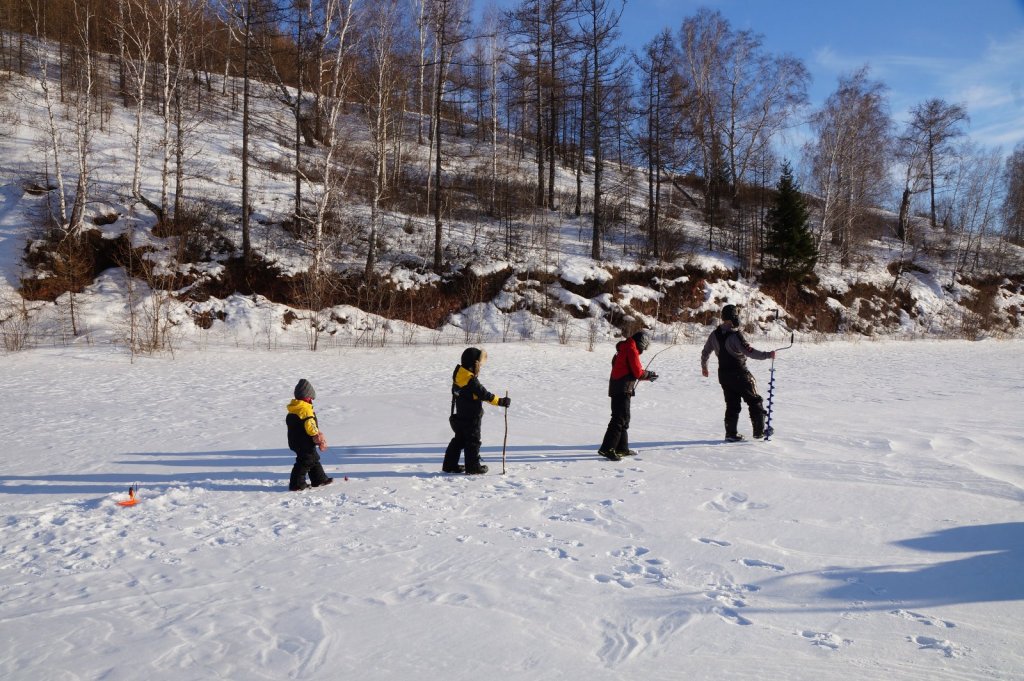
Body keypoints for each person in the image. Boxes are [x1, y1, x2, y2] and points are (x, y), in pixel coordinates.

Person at [700, 305, 775, 442]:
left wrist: (704, 367)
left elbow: (705, 352)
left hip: (723, 375)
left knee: (732, 404)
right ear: (734, 317)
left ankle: (731, 434)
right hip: (740, 373)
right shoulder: (736, 335)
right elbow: (750, 352)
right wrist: (767, 355)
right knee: (755, 400)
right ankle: (759, 432)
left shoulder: (714, 334)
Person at [443, 347, 511, 475]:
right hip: (472, 418)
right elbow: (485, 395)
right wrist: (501, 401)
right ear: (473, 365)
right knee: (473, 441)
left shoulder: (459, 375)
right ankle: (473, 467)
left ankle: (449, 465)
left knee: (459, 440)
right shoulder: (471, 380)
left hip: (460, 416)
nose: (480, 367)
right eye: (479, 364)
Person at [598, 330, 658, 461]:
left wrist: (645, 376)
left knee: (624, 418)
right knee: (619, 419)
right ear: (642, 343)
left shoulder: (624, 347)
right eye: (645, 346)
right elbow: (637, 372)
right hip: (622, 388)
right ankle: (607, 448)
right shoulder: (631, 349)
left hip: (618, 386)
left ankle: (621, 448)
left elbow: (620, 366)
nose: (644, 349)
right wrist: (649, 374)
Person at [286, 379, 333, 491]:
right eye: (311, 398)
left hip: (296, 441)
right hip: (304, 442)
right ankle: (296, 484)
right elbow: (310, 426)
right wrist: (317, 435)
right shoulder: (305, 410)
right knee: (306, 461)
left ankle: (319, 479)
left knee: (313, 458)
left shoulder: (294, 409)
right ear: (306, 397)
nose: (311, 400)